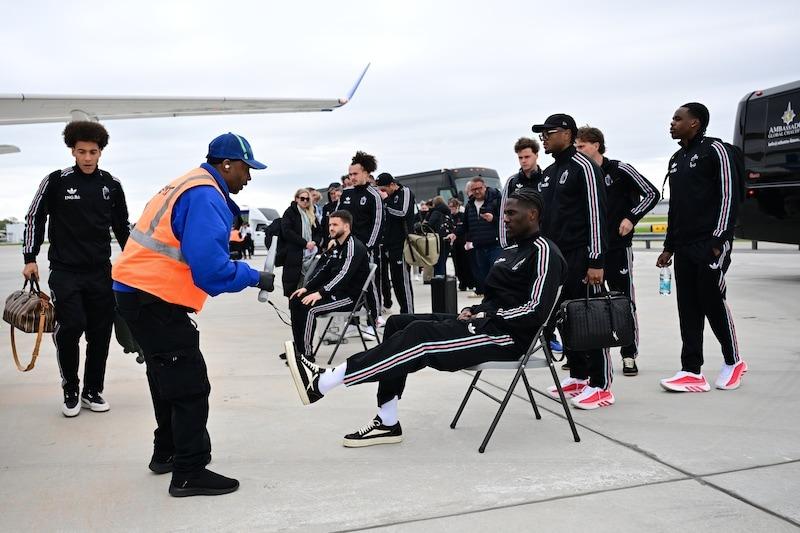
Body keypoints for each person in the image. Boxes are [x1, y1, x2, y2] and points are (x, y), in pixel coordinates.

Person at [285, 189, 565, 447]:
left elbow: (535, 310)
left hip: (509, 337)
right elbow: (496, 297)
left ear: (533, 215)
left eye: (511, 214)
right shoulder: (511, 251)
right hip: (486, 322)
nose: (505, 219)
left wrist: (488, 315)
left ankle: (323, 382)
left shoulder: (544, 252)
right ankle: (387, 420)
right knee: (398, 322)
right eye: (505, 213)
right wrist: (476, 309)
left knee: (420, 336)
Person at [112, 132, 274, 497]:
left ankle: (167, 452)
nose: (249, 177)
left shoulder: (185, 182)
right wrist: (254, 276)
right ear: (226, 165)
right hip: (153, 297)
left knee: (164, 375)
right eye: (246, 168)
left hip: (134, 292)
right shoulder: (205, 195)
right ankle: (189, 471)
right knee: (189, 384)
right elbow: (211, 271)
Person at [22, 120, 130, 417]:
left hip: (100, 272)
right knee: (71, 327)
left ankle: (92, 391)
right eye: (81, 151)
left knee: (100, 333)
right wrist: (30, 257)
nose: (87, 157)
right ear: (72, 151)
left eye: (93, 152)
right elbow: (34, 217)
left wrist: (137, 262)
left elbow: (122, 228)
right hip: (65, 271)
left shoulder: (111, 185)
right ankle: (70, 388)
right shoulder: (56, 181)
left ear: (100, 152)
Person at [657, 103, 746, 392]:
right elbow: (676, 207)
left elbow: (730, 195)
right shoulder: (676, 158)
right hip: (684, 245)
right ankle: (691, 371)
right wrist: (669, 246)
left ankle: (733, 361)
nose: (672, 123)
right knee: (688, 307)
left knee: (712, 300)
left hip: (711, 243)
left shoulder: (716, 150)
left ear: (695, 123)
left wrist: (718, 241)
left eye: (677, 119)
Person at [532, 113, 612, 410]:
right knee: (565, 318)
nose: (544, 138)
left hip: (581, 255)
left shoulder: (584, 167)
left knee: (589, 319)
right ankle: (579, 375)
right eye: (541, 134)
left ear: (567, 133)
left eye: (548, 132)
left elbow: (596, 214)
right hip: (557, 258)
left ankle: (601, 385)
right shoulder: (550, 172)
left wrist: (596, 260)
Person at [575, 126, 660, 376]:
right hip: (590, 251)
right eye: (576, 147)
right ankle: (592, 356)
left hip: (618, 248)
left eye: (581, 146)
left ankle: (629, 354)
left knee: (623, 301)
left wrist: (631, 217)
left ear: (596, 145)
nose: (578, 151)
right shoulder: (580, 172)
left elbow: (652, 193)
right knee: (590, 304)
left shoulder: (620, 169)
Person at [287, 210, 370, 360]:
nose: (331, 228)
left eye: (335, 225)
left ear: (346, 227)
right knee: (295, 300)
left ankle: (306, 355)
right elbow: (325, 271)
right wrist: (306, 288)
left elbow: (343, 275)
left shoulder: (354, 247)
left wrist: (320, 293)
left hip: (350, 298)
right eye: (330, 224)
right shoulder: (338, 245)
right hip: (335, 292)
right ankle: (298, 348)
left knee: (310, 308)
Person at [337, 151, 385, 326]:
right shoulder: (346, 193)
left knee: (369, 284)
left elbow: (378, 224)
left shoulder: (374, 195)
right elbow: (337, 219)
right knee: (347, 283)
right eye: (350, 174)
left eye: (355, 174)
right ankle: (352, 323)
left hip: (365, 249)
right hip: (346, 248)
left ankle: (374, 320)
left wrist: (368, 247)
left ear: (366, 173)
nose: (352, 177)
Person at [455, 177, 501, 297]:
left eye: (479, 188)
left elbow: (505, 220)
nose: (477, 191)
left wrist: (493, 219)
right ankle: (487, 300)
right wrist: (454, 234)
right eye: (474, 189)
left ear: (484, 187)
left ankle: (498, 299)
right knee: (482, 275)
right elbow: (465, 225)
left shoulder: (496, 201)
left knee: (495, 274)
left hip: (495, 245)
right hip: (479, 247)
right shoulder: (470, 205)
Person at [376, 172, 415, 314]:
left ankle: (409, 313)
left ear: (392, 185)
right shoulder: (388, 196)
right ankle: (402, 312)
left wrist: (386, 201)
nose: (382, 192)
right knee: (395, 281)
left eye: (384, 189)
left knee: (402, 281)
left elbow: (402, 212)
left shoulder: (405, 192)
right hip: (387, 244)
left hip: (401, 244)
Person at [278, 188, 323, 297]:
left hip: (311, 253)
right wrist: (305, 243)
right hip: (294, 254)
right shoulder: (290, 212)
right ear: (296, 199)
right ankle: (294, 306)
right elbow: (287, 232)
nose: (305, 201)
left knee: (309, 285)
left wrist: (314, 242)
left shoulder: (311, 213)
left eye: (307, 199)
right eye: (302, 198)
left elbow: (319, 231)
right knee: (293, 287)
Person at [499, 137, 542, 248]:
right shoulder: (512, 181)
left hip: (543, 237)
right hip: (518, 241)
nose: (523, 161)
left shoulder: (547, 178)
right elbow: (503, 212)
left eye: (527, 157)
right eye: (520, 157)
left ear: (536, 155)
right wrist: (505, 244)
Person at [447, 197, 475, 291]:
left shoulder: (462, 216)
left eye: (453, 207)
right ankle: (462, 282)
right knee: (457, 264)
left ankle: (470, 282)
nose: (452, 209)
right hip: (454, 244)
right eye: (450, 207)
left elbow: (465, 228)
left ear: (457, 207)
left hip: (463, 242)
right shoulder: (449, 217)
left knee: (466, 263)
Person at [427, 196, 454, 277]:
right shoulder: (448, 212)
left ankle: (439, 278)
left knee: (438, 260)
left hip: (438, 239)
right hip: (447, 238)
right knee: (443, 259)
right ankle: (443, 277)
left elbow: (430, 225)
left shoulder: (436, 212)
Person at [320, 182, 342, 250]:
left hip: (340, 237)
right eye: (331, 194)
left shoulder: (343, 205)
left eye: (334, 193)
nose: (333, 195)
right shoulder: (326, 207)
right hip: (328, 237)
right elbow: (323, 223)